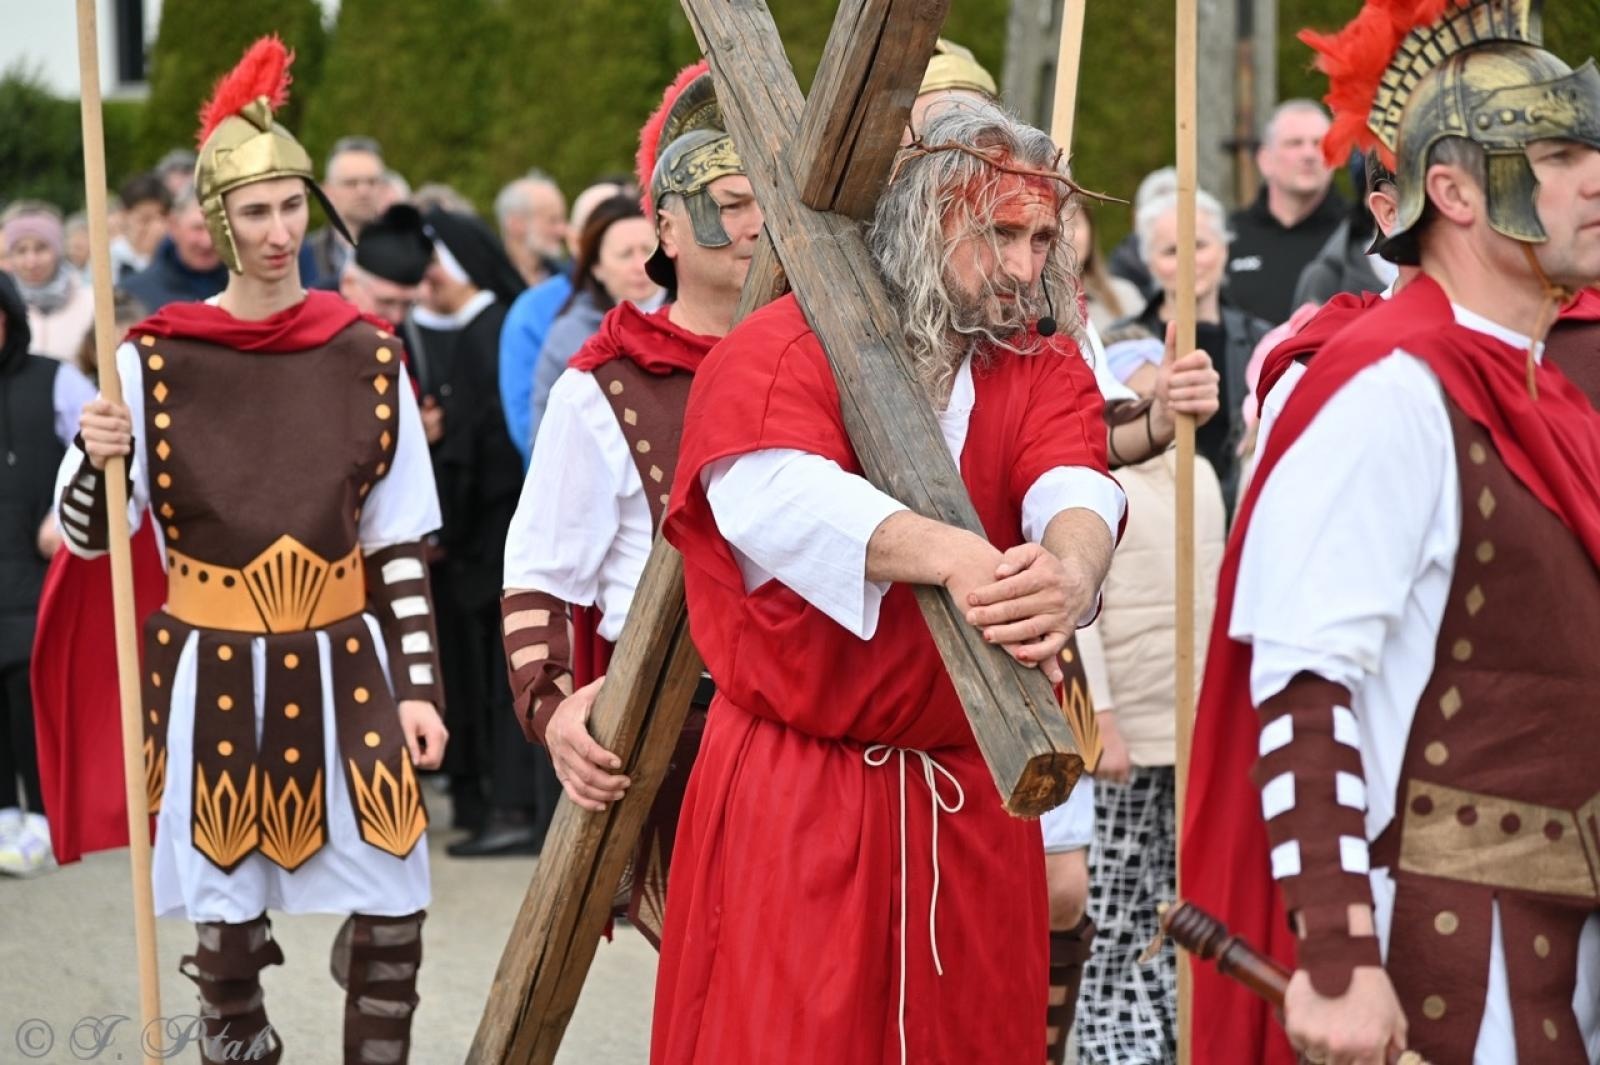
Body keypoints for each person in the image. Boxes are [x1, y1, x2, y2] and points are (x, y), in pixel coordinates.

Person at [653, 101, 1126, 1064]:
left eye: (1042, 237)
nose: (1027, 267)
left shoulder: (1034, 359)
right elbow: (770, 492)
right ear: (921, 215)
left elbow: (1075, 475)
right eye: (998, 231)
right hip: (804, 791)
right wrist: (954, 554)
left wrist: (1070, 568)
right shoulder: (786, 344)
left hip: (973, 794)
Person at [1185, 2, 1600, 1062]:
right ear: (1452, 191)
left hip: (1564, 940)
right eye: (1555, 154)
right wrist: (1334, 956)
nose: (1592, 179)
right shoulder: (1389, 393)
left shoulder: (1543, 394)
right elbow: (1301, 681)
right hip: (1453, 947)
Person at [52, 38, 446, 1063]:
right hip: (210, 670)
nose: (279, 232)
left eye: (291, 206)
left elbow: (400, 539)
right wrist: (93, 456)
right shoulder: (153, 359)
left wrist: (419, 690)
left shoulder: (366, 353)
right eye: (255, 211)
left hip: (346, 662)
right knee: (223, 939)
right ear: (217, 222)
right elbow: (94, 539)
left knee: (396, 912)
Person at [501, 61, 759, 943]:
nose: (756, 223)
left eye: (768, 198)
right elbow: (539, 570)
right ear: (669, 228)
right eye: (731, 200)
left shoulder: (822, 363)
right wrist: (556, 705)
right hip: (676, 734)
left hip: (810, 730)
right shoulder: (600, 388)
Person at [1072, 335, 1226, 1063]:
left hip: (1187, 722)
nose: (1152, 377)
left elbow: (1216, 589)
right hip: (1127, 722)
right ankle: (1112, 1042)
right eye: (1134, 368)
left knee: (1179, 895)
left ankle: (1166, 1033)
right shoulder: (1101, 474)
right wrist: (1096, 716)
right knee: (1117, 901)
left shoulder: (1199, 473)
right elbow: (1082, 605)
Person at [401, 207, 540, 855]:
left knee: (498, 669)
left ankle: (507, 805)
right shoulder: (460, 324)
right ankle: (484, 798)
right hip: (472, 536)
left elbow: (490, 433)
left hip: (498, 528)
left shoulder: (491, 325)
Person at [0, 270, 96, 876]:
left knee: (26, 692)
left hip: (33, 570)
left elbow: (103, 446)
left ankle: (44, 816)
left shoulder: (54, 379)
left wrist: (66, 514)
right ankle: (5, 813)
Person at [1116, 186, 1271, 509]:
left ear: (1224, 249)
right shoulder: (1118, 343)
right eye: (1171, 251)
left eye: (1199, 245)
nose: (1188, 260)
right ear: (1149, 262)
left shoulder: (1264, 342)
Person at [499, 179, 625, 465]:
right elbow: (527, 421)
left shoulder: (664, 300)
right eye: (601, 231)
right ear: (575, 238)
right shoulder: (534, 311)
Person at [530, 195, 663, 417]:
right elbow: (544, 430)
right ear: (596, 267)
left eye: (648, 250)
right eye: (625, 254)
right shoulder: (569, 335)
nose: (641, 266)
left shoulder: (695, 317)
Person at [1224, 101, 1348, 325]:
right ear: (1264, 159)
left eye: (1319, 143)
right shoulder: (1230, 236)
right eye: (1294, 144)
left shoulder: (1357, 236)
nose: (1309, 154)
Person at [1, 203, 96, 364]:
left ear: (58, 249)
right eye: (21, 250)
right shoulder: (5, 310)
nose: (31, 261)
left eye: (41, 248)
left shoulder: (92, 304)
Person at [121, 184, 229, 311]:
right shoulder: (133, 295)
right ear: (174, 226)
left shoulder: (249, 290)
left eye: (216, 228)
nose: (207, 242)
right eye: (197, 229)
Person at [306, 136, 386, 286]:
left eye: (372, 182)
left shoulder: (405, 250)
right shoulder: (303, 256)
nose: (363, 191)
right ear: (327, 192)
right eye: (351, 183)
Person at [1070, 203, 1142, 332]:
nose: (1066, 235)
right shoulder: (1032, 310)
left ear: (1090, 229)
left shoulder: (1125, 296)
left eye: (1074, 223)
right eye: (1056, 226)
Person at [495, 172, 567, 287]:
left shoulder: (565, 278)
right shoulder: (490, 282)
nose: (562, 230)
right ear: (515, 224)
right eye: (552, 220)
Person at [111, 173, 173, 282]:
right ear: (123, 216)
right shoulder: (110, 260)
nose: (156, 228)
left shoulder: (175, 256)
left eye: (161, 219)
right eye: (145, 219)